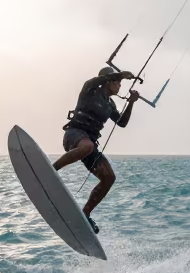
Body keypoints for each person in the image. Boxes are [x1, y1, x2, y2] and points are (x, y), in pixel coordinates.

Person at [53, 66, 139, 230]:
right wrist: (121, 74)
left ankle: (85, 213)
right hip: (74, 135)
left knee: (109, 177)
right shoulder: (90, 90)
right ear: (108, 81)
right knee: (87, 146)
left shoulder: (110, 104)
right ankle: (52, 170)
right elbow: (96, 80)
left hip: (90, 146)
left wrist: (131, 103)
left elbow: (122, 123)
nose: (120, 85)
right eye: (117, 82)